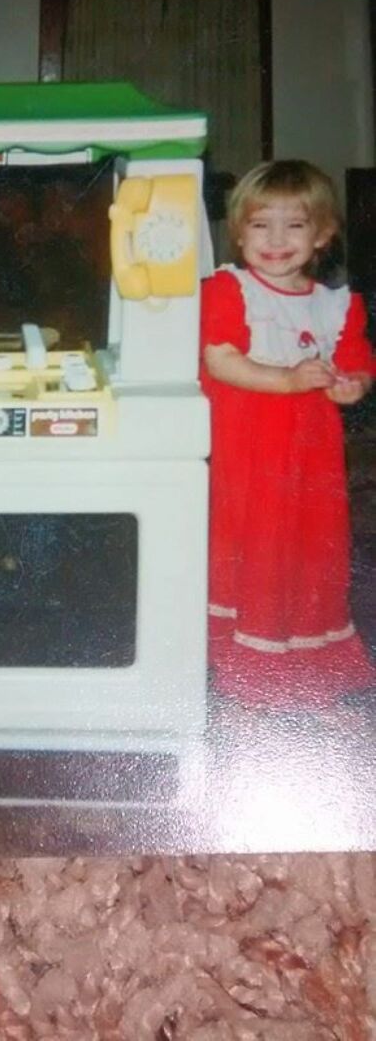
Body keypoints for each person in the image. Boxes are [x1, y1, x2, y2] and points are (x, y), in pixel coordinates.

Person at [201, 158, 375, 708]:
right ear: (239, 232)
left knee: (311, 545)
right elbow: (221, 359)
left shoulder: (338, 304)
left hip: (311, 454)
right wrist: (287, 379)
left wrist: (351, 384)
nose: (276, 240)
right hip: (248, 449)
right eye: (260, 225)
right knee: (252, 544)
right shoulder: (227, 289)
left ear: (322, 234)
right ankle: (243, 670)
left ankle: (304, 663)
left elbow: (356, 360)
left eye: (294, 225)